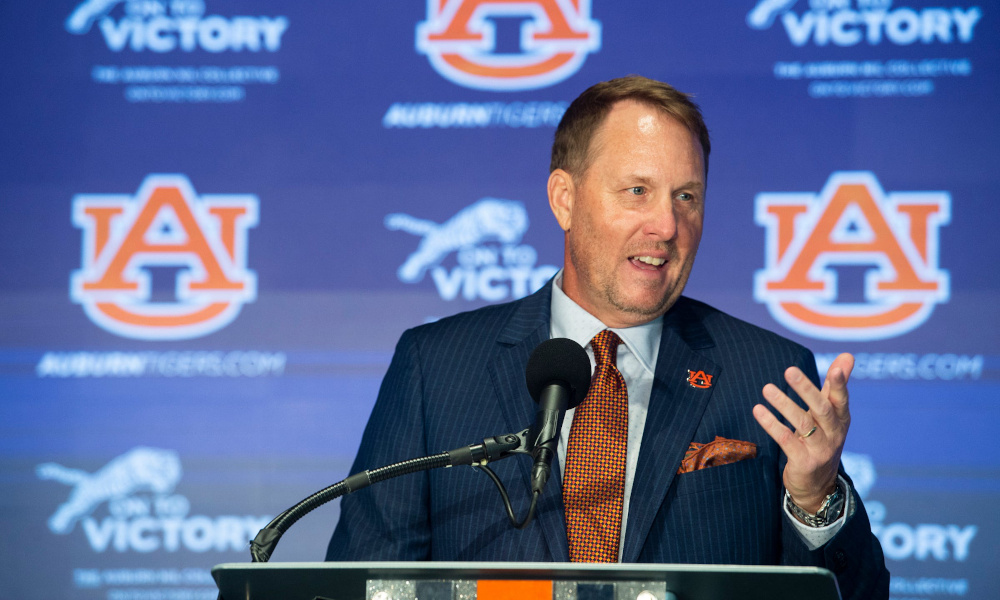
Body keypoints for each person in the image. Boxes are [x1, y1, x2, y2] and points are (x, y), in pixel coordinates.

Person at [326, 76, 889, 600]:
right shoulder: (437, 367)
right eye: (638, 190)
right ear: (564, 199)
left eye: (686, 197)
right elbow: (370, 584)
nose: (667, 226)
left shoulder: (769, 373)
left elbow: (855, 595)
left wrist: (816, 500)